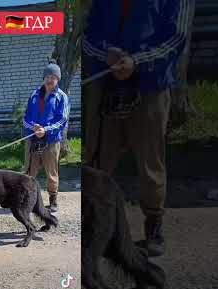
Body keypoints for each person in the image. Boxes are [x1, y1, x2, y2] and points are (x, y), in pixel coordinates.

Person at [83, 0, 190, 256]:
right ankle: (98, 226)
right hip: (105, 81)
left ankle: (154, 228)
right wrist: (106, 53)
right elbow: (88, 33)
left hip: (150, 86)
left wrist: (137, 61)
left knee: (150, 159)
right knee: (98, 159)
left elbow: (177, 36)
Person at [23, 59, 70, 212]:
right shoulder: (34, 95)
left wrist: (46, 130)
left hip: (51, 140)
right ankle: (28, 198)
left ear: (57, 79)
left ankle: (53, 199)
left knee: (51, 171)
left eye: (53, 77)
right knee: (30, 170)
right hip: (33, 138)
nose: (50, 80)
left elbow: (62, 119)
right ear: (44, 78)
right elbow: (26, 118)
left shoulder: (61, 97)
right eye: (48, 77)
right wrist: (34, 127)